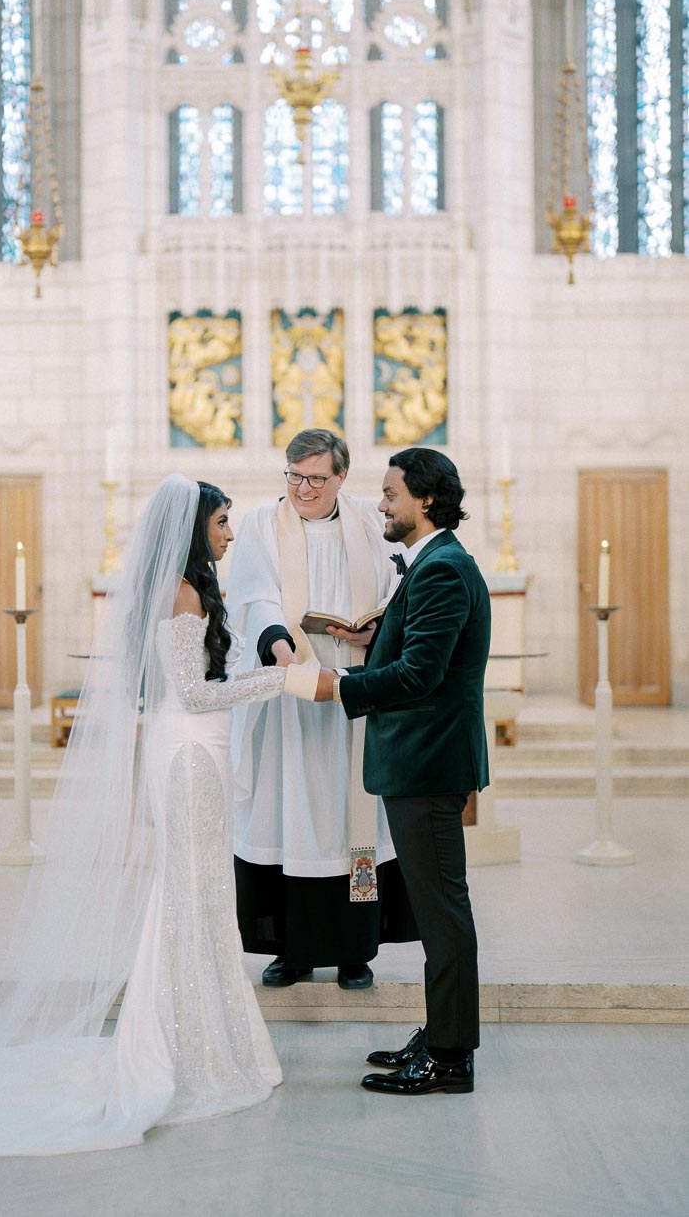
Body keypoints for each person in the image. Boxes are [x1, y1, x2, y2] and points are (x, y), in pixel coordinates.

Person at [0, 476, 318, 1161]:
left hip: (193, 754)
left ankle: (207, 1042)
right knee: (190, 902)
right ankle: (185, 1049)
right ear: (193, 529)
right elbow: (192, 692)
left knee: (202, 902)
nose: (228, 532)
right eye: (221, 522)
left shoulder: (190, 591)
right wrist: (284, 680)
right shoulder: (184, 593)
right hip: (188, 756)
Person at [312, 447, 490, 1095]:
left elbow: (421, 675)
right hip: (417, 761)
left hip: (428, 763)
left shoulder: (444, 569)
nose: (380, 505)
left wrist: (343, 686)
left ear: (427, 500)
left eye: (390, 494)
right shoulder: (431, 564)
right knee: (438, 910)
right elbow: (415, 650)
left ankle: (450, 1056)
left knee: (443, 914)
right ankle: (440, 1033)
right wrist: (375, 639)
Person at [228, 429, 415, 993]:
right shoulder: (265, 522)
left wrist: (376, 624)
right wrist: (282, 651)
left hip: (354, 694)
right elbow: (252, 594)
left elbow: (395, 587)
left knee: (351, 820)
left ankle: (354, 949)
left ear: (340, 478)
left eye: (314, 478)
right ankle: (292, 950)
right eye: (293, 475)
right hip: (292, 694)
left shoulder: (366, 523)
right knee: (291, 816)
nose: (301, 488)